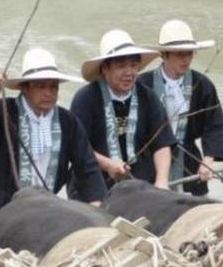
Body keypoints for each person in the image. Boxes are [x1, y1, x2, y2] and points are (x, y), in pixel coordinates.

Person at [0, 47, 106, 224]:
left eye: (53, 87)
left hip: (47, 209)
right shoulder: (4, 111)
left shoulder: (67, 121)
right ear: (25, 87)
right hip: (2, 210)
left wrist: (95, 206)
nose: (49, 93)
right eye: (41, 86)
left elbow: (87, 166)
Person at [71, 29, 177, 190]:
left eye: (133, 66)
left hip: (140, 178)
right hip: (94, 178)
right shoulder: (85, 99)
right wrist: (108, 165)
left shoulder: (147, 96)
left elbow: (162, 142)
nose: (129, 73)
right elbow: (78, 148)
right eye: (121, 66)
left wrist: (162, 181)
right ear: (105, 69)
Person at [139, 19, 223, 196]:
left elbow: (214, 125)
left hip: (189, 164)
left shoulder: (202, 85)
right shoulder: (142, 85)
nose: (186, 59)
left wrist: (208, 161)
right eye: (179, 54)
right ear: (164, 55)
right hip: (149, 164)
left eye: (189, 54)